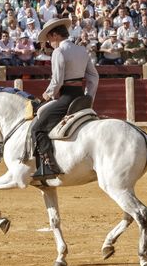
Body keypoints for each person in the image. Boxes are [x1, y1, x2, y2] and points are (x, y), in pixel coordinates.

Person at [31, 18, 99, 180]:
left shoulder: (58, 52)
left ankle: (49, 165)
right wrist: (88, 97)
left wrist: (47, 95)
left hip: (66, 98)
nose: (48, 43)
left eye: (48, 39)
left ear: (55, 35)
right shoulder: (82, 50)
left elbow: (57, 81)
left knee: (37, 128)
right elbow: (94, 78)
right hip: (80, 98)